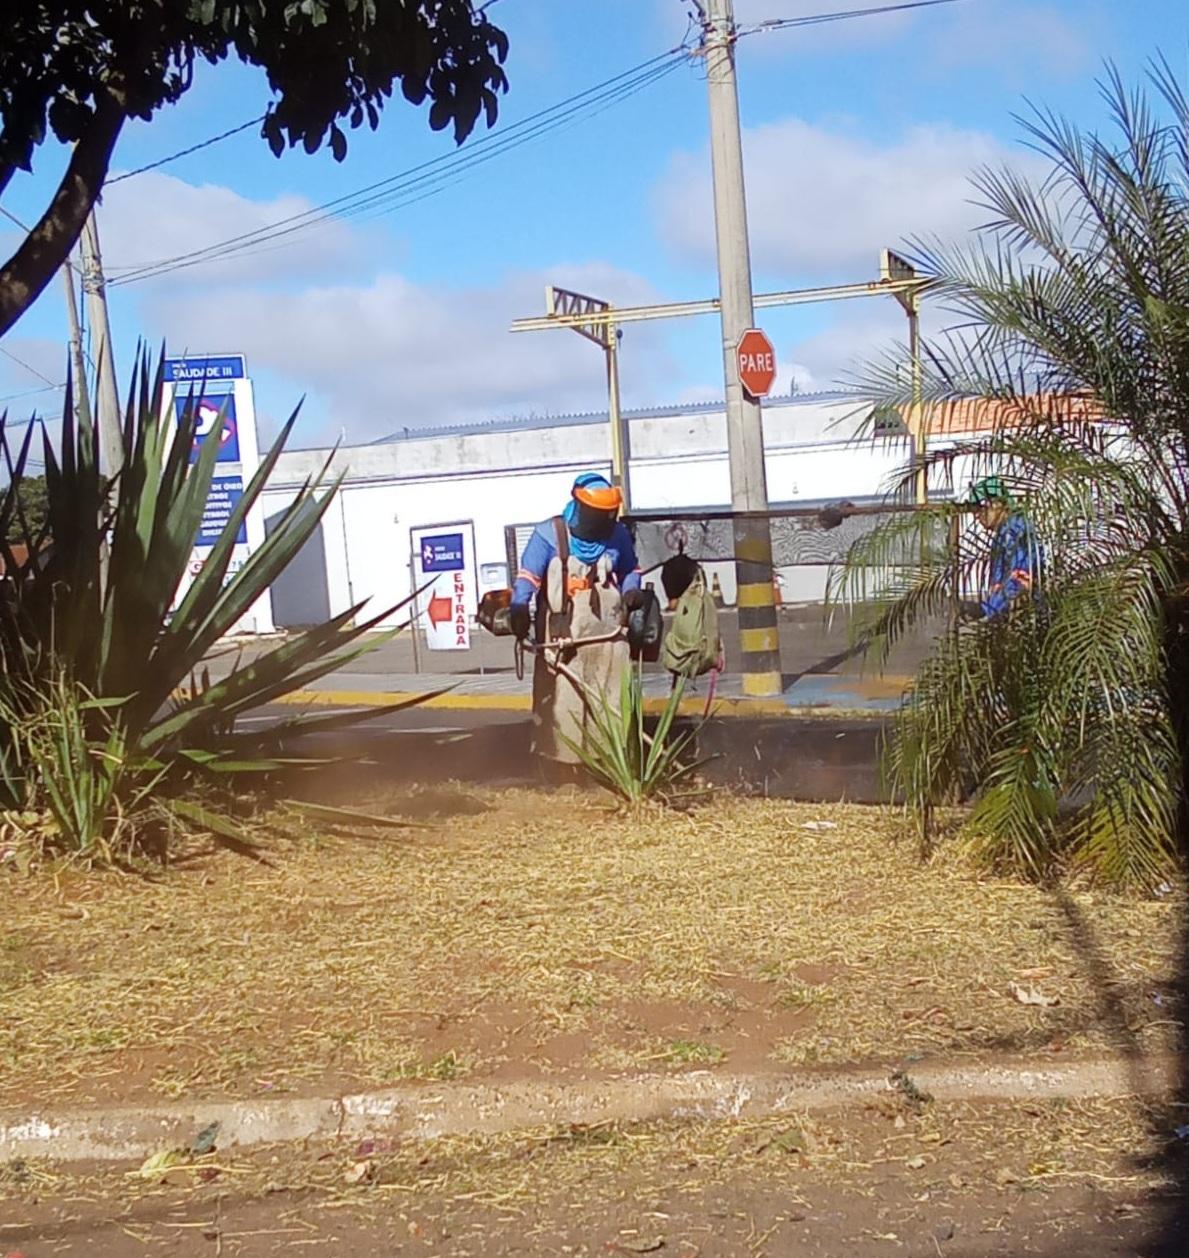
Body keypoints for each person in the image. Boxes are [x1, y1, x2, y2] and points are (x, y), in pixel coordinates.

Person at [509, 473, 645, 762]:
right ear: (580, 506)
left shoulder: (617, 534)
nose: (603, 520)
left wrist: (631, 591)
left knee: (610, 698)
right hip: (563, 633)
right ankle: (564, 765)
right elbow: (528, 576)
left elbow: (630, 569)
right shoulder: (550, 533)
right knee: (564, 703)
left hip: (607, 633)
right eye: (597, 514)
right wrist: (519, 605)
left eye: (607, 514)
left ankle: (609, 761)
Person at [968, 476, 1042, 620]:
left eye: (980, 508)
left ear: (997, 504)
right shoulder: (1003, 532)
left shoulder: (1015, 530)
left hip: (1024, 617)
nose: (976, 515)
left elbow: (1019, 580)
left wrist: (987, 610)